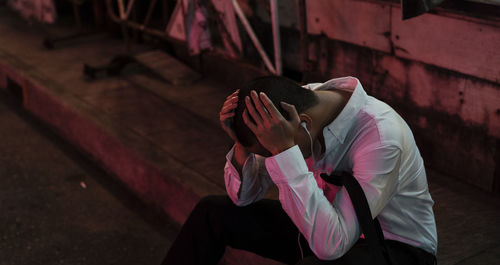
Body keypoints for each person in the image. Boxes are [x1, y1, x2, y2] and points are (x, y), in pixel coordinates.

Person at [162, 76, 437, 265]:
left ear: (301, 122)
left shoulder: (381, 138)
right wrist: (242, 145)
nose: (270, 157)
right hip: (324, 222)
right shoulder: (297, 108)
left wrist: (284, 151)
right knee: (212, 213)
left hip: (395, 248)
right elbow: (243, 197)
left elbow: (331, 245)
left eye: (269, 151)